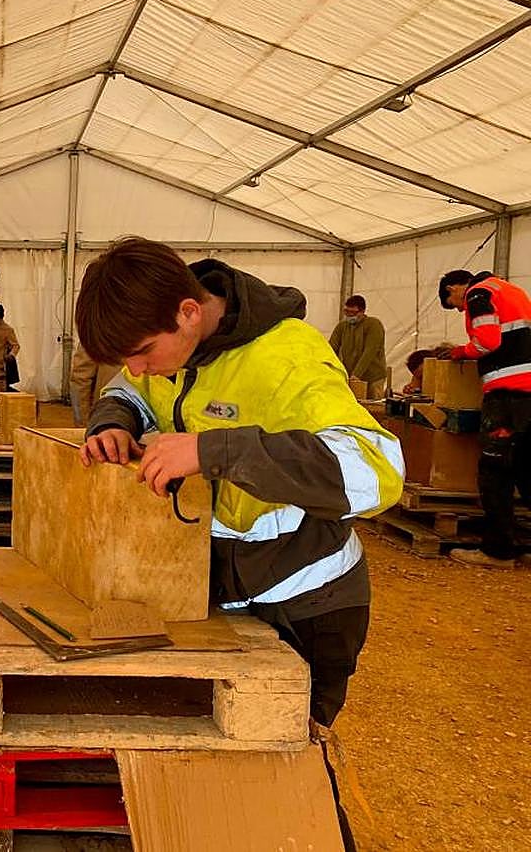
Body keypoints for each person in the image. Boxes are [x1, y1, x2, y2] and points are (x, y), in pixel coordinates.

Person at [75, 238, 404, 851]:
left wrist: (212, 449)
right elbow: (127, 389)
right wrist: (112, 421)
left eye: (144, 353)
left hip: (306, 608)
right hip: (225, 599)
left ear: (188, 312)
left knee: (284, 788)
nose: (140, 368)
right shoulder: (171, 347)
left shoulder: (289, 357)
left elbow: (376, 470)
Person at [437, 269, 531, 570]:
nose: (460, 309)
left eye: (454, 304)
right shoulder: (511, 291)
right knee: (527, 471)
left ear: (454, 288)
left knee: (495, 471)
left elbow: (487, 341)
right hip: (528, 394)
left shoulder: (480, 294)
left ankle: (499, 551)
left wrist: (459, 353)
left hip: (508, 395)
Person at [328, 294, 387, 399]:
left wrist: (356, 375)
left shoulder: (373, 324)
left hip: (373, 377)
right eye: (346, 312)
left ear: (362, 311)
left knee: (374, 409)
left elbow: (369, 352)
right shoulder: (342, 326)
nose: (349, 316)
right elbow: (331, 349)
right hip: (350, 377)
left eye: (353, 313)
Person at [68, 342, 122, 426]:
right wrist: (84, 423)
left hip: (143, 421)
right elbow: (81, 379)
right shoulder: (99, 331)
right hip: (108, 417)